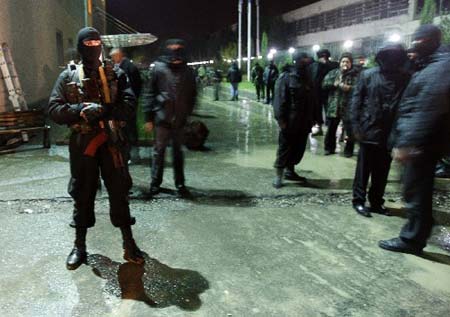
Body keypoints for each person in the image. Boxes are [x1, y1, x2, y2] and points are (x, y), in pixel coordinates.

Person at [48, 27, 144, 270]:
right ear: (80, 46)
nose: (93, 46)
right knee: (82, 193)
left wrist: (106, 110)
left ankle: (129, 242)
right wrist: (79, 109)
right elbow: (54, 109)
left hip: (112, 142)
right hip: (83, 145)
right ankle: (79, 246)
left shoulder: (117, 73)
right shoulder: (68, 76)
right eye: (87, 42)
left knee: (119, 191)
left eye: (96, 41)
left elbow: (130, 104)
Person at [379, 25, 450, 254]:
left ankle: (412, 239)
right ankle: (419, 229)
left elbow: (426, 109)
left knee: (415, 190)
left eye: (418, 42)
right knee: (417, 189)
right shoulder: (432, 65)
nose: (414, 47)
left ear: (429, 41)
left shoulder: (438, 69)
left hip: (421, 145)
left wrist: (408, 144)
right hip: (425, 142)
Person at [350, 44, 410, 218]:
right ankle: (359, 201)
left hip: (389, 133)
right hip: (368, 130)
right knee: (363, 170)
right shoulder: (368, 75)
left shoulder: (405, 77)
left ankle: (376, 201)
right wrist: (355, 126)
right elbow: (356, 102)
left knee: (382, 170)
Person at [142, 39, 197, 198]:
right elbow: (149, 93)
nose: (175, 52)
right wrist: (148, 117)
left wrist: (188, 113)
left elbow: (193, 95)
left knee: (178, 154)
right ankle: (155, 183)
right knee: (159, 153)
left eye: (178, 49)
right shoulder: (158, 69)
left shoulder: (188, 71)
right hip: (162, 120)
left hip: (180, 121)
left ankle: (180, 184)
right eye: (172, 49)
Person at [272, 53, 314, 188]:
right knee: (284, 149)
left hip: (304, 122)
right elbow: (279, 100)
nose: (307, 63)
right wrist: (281, 120)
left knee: (298, 149)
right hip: (289, 122)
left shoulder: (307, 78)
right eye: (304, 60)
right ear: (297, 60)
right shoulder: (286, 77)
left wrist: (314, 119)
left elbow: (312, 100)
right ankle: (279, 175)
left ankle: (290, 171)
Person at [322, 52, 359, 157]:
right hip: (334, 106)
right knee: (331, 129)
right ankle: (329, 148)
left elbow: (361, 89)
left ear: (351, 63)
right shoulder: (333, 73)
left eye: (347, 61)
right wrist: (334, 84)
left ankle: (348, 150)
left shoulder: (356, 75)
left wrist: (350, 88)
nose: (345, 63)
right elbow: (324, 84)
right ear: (340, 63)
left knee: (349, 130)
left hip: (349, 107)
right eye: (343, 61)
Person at [110, 47, 143, 163]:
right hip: (123, 104)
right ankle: (128, 155)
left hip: (128, 103)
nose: (112, 58)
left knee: (130, 129)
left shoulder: (129, 67)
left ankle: (133, 156)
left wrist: (132, 100)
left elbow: (137, 85)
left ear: (118, 55)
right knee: (125, 129)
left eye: (113, 56)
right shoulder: (120, 66)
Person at [309, 49, 339, 136]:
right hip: (317, 92)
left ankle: (329, 130)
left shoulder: (333, 65)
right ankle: (320, 128)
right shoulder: (315, 65)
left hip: (329, 92)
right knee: (317, 110)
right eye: (322, 56)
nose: (323, 58)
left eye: (324, 56)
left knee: (329, 111)